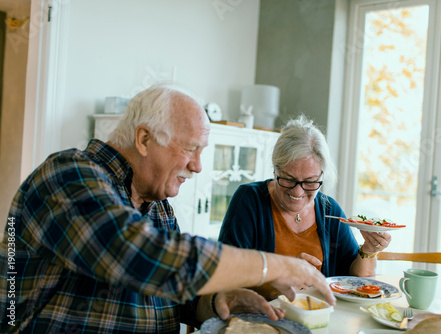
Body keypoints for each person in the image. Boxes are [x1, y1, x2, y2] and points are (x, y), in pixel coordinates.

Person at [0, 84, 335, 333]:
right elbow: (141, 254)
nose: (198, 166)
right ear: (144, 139)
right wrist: (273, 266)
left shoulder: (158, 205)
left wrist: (217, 300)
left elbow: (177, 292)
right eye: (191, 149)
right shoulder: (68, 176)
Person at [219, 116, 392, 298]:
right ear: (275, 169)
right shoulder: (250, 201)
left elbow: (355, 281)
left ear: (321, 176)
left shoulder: (329, 211)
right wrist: (282, 275)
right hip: (261, 317)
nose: (298, 192)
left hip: (317, 317)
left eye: (310, 182)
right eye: (288, 179)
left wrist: (369, 251)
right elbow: (227, 274)